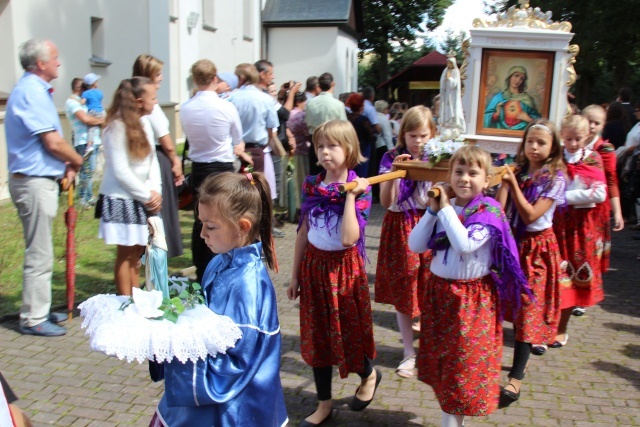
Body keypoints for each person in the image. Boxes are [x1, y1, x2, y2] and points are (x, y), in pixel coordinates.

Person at [149, 172, 287, 427]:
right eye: (201, 223)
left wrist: (173, 347)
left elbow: (235, 363)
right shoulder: (219, 262)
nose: (202, 234)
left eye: (211, 226)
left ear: (242, 226)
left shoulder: (248, 286)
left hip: (233, 411)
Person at [408, 146, 528, 427]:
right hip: (440, 294)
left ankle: (451, 423)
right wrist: (432, 211)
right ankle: (452, 420)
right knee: (444, 364)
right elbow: (415, 244)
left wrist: (446, 209)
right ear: (449, 176)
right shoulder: (444, 210)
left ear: (486, 180)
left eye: (473, 173)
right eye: (458, 172)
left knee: (463, 366)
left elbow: (464, 244)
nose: (464, 178)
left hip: (472, 299)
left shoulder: (489, 211)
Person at [287, 120, 379, 426]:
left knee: (350, 333)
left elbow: (348, 238)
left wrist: (351, 196)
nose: (325, 152)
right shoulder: (313, 184)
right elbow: (303, 230)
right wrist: (296, 274)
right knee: (318, 338)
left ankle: (368, 374)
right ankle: (323, 404)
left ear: (350, 149)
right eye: (320, 146)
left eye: (332, 146)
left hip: (343, 271)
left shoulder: (360, 187)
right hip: (314, 267)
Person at [6, 38, 83, 336]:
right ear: (40, 63)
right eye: (55, 58)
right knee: (39, 252)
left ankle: (38, 307)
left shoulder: (35, 91)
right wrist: (76, 161)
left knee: (42, 250)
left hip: (39, 179)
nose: (59, 63)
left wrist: (64, 165)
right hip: (33, 182)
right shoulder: (31, 92)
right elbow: (52, 141)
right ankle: (33, 318)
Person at [495, 120, 566, 402]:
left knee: (527, 311)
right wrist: (505, 181)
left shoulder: (555, 178)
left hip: (538, 248)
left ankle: (516, 377)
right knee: (503, 306)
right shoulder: (519, 172)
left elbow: (531, 216)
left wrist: (512, 184)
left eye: (541, 143)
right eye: (530, 142)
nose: (534, 147)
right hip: (514, 244)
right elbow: (500, 211)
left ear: (553, 148)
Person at [375, 106, 435, 379]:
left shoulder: (438, 158)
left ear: (432, 134)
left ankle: (431, 349)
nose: (418, 141)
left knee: (430, 287)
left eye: (423, 135)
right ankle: (408, 352)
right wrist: (397, 171)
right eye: (413, 135)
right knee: (404, 289)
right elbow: (387, 202)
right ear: (403, 134)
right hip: (401, 227)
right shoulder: (390, 157)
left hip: (430, 224)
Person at [180, 59, 244, 285]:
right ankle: (224, 267)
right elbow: (238, 140)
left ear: (195, 80)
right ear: (215, 79)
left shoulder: (186, 108)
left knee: (201, 220)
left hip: (199, 168)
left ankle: (202, 267)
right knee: (225, 218)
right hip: (222, 167)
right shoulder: (226, 107)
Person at [97, 77, 162, 296]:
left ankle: (136, 299)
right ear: (138, 100)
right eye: (152, 97)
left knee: (137, 253)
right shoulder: (116, 125)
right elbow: (120, 170)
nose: (156, 101)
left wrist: (156, 192)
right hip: (121, 198)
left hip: (141, 197)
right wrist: (146, 195)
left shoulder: (144, 122)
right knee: (126, 254)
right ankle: (125, 302)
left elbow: (152, 160)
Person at [552, 115, 608, 349]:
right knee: (554, 275)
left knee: (573, 277)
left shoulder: (593, 159)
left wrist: (564, 197)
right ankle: (546, 324)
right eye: (568, 138)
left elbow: (599, 193)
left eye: (577, 139)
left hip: (581, 228)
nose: (572, 144)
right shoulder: (556, 158)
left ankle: (561, 328)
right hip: (557, 224)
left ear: (586, 137)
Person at [132, 54, 185, 259]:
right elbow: (165, 139)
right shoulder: (148, 104)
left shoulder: (146, 100)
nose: (162, 77)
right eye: (159, 73)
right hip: (159, 158)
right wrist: (175, 161)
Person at [231, 63, 279, 174]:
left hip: (235, 150)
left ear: (241, 78)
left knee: (237, 187)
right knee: (255, 185)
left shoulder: (231, 97)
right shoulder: (266, 99)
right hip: (256, 150)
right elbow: (271, 130)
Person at [65, 77, 105, 207]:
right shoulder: (72, 103)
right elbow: (85, 119)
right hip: (83, 140)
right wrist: (100, 120)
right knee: (87, 169)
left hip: (93, 140)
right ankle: (82, 198)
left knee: (89, 170)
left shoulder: (83, 102)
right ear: (80, 89)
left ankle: (88, 197)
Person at [305, 73, 348, 175]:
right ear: (333, 84)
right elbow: (344, 128)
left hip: (315, 141)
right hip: (333, 142)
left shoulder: (310, 103)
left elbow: (307, 123)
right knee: (332, 175)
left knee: (315, 175)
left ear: (319, 86)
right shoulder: (338, 104)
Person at [483, 65, 541, 130]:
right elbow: (485, 117)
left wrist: (528, 119)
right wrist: (496, 114)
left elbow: (539, 122)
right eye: (516, 76)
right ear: (510, 76)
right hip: (501, 132)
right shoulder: (499, 97)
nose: (518, 80)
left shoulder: (527, 99)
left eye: (521, 78)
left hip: (521, 132)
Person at [287, 92, 310, 214]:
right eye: (304, 101)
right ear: (299, 102)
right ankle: (301, 207)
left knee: (291, 178)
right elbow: (307, 132)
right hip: (301, 149)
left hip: (290, 151)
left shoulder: (288, 113)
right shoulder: (302, 115)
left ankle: (291, 208)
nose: (305, 103)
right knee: (301, 179)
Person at [346, 93, 375, 178]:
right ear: (361, 106)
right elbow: (371, 135)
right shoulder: (363, 120)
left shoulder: (347, 118)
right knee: (362, 173)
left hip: (349, 148)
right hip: (363, 149)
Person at [439, 57, 466, 133]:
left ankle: (452, 122)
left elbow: (454, 84)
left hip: (453, 94)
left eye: (450, 63)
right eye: (448, 63)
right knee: (446, 107)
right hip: (446, 93)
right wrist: (444, 79)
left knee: (452, 109)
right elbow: (442, 82)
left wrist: (450, 78)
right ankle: (446, 122)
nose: (449, 64)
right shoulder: (445, 71)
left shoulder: (456, 72)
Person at [81, 72, 105, 155]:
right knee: (104, 127)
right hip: (101, 112)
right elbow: (100, 101)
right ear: (94, 83)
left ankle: (89, 146)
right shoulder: (100, 92)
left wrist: (77, 100)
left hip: (92, 112)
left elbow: (82, 102)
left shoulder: (86, 93)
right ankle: (104, 142)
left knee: (91, 129)